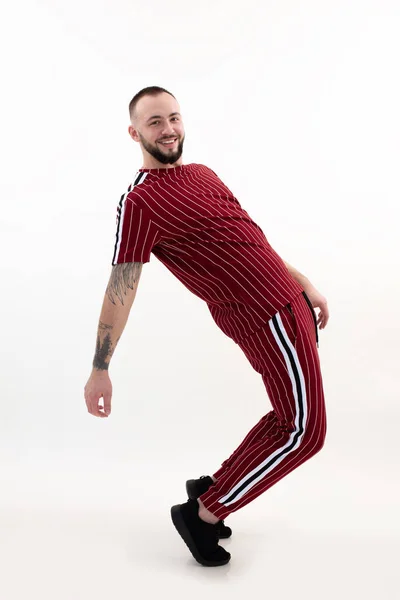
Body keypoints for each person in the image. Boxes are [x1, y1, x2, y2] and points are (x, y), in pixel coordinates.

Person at [84, 86, 329, 568]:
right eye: (154, 122)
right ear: (134, 133)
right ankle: (203, 513)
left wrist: (303, 282)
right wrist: (100, 367)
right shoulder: (140, 204)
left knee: (289, 419)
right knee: (305, 431)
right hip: (264, 318)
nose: (168, 129)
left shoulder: (203, 174)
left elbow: (250, 237)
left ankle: (212, 489)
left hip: (289, 303)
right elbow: (121, 288)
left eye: (173, 117)